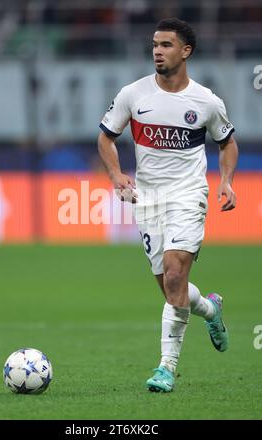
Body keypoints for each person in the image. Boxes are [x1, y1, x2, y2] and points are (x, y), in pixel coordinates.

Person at [97, 18, 238, 393]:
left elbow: (227, 143)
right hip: (148, 199)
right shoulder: (134, 94)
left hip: (188, 195)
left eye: (166, 45)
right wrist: (116, 175)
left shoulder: (206, 101)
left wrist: (225, 180)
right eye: (155, 45)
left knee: (176, 275)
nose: (157, 51)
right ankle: (211, 309)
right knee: (171, 288)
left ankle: (166, 368)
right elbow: (106, 138)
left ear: (185, 51)